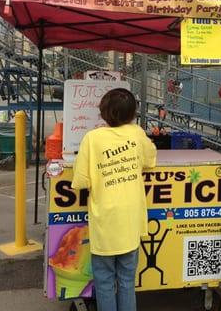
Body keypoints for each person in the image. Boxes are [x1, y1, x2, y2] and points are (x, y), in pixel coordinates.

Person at [72, 88, 157, 311]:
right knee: (128, 281)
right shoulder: (137, 134)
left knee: (104, 281)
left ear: (104, 112)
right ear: (132, 114)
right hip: (130, 222)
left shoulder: (92, 138)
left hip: (105, 224)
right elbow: (150, 160)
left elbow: (81, 181)